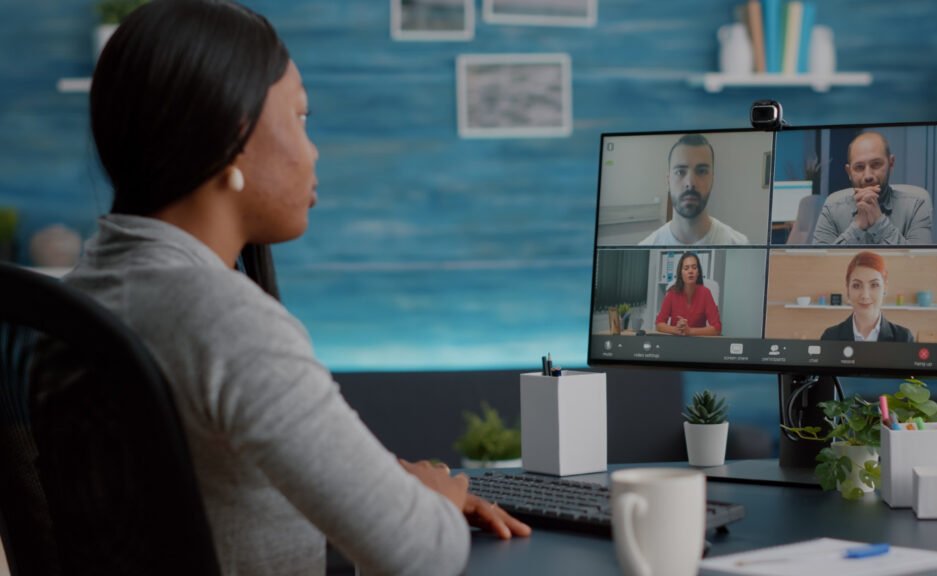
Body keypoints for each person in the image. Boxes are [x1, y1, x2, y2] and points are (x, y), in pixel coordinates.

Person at [73, 1, 528, 574]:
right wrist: (436, 502)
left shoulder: (82, 293)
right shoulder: (222, 317)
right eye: (301, 118)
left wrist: (389, 497)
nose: (312, 152)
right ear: (232, 134)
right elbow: (420, 555)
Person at [813, 131, 934, 245]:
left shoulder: (916, 206)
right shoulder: (831, 209)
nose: (868, 176)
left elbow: (919, 264)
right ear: (849, 172)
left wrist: (879, 222)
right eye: (859, 167)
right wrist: (857, 227)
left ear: (891, 164)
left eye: (876, 164)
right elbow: (821, 264)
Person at [638, 134, 749, 246]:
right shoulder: (646, 246)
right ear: (668, 181)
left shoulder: (739, 244)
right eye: (680, 172)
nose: (690, 183)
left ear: (712, 179)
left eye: (701, 171)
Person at [820, 251, 914, 342]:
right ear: (848, 289)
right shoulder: (830, 337)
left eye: (874, 285)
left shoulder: (904, 339)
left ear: (885, 288)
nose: (865, 295)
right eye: (857, 285)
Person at [655, 252, 722, 336]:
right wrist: (676, 330)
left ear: (698, 272)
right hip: (676, 342)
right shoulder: (672, 293)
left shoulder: (705, 293)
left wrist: (690, 331)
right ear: (681, 273)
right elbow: (659, 324)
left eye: (694, 267)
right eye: (686, 268)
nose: (690, 271)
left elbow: (717, 328)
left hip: (697, 343)